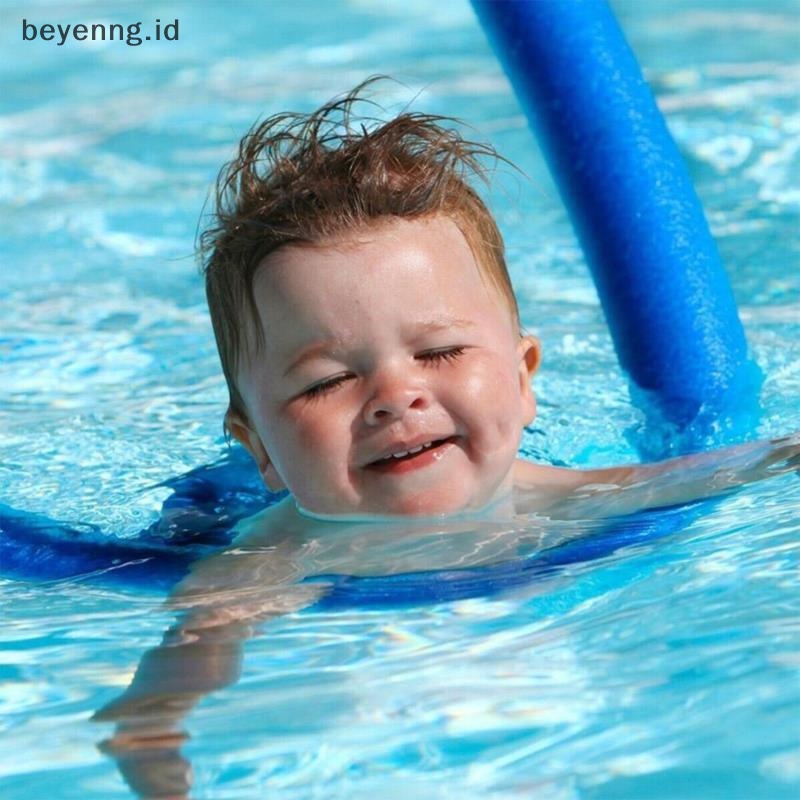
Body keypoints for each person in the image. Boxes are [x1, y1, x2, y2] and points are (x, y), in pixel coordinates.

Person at [92, 80, 799, 799]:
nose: (397, 397)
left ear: (524, 379)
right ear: (261, 449)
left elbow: (720, 472)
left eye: (439, 353)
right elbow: (183, 663)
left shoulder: (563, 501)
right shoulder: (270, 562)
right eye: (325, 381)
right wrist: (155, 727)